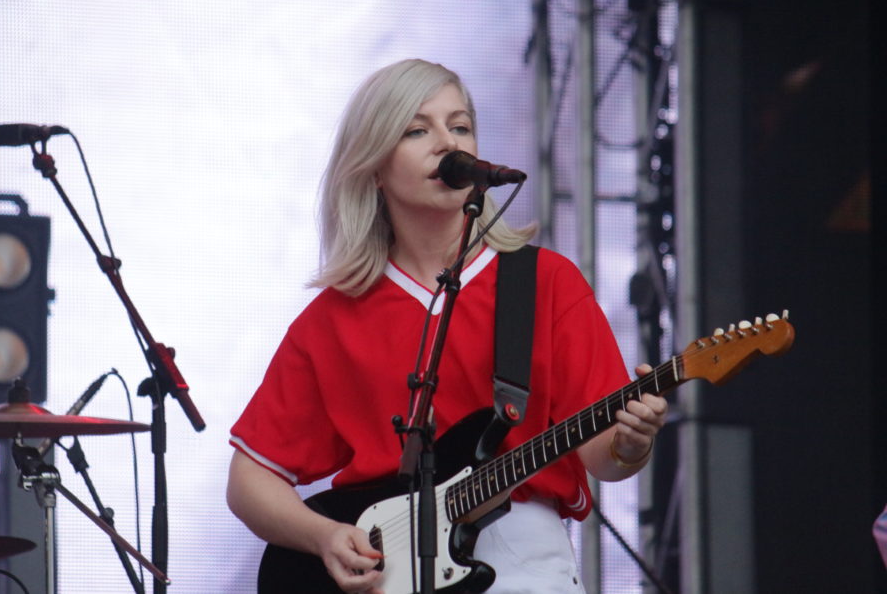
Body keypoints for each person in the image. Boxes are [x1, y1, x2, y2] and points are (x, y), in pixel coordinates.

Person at [226, 58, 668, 594]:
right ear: (373, 167)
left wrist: (632, 442)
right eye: (417, 129)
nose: (446, 142)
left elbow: (605, 457)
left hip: (519, 561)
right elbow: (249, 481)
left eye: (459, 126)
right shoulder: (334, 318)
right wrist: (324, 537)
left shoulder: (545, 281)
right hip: (384, 571)